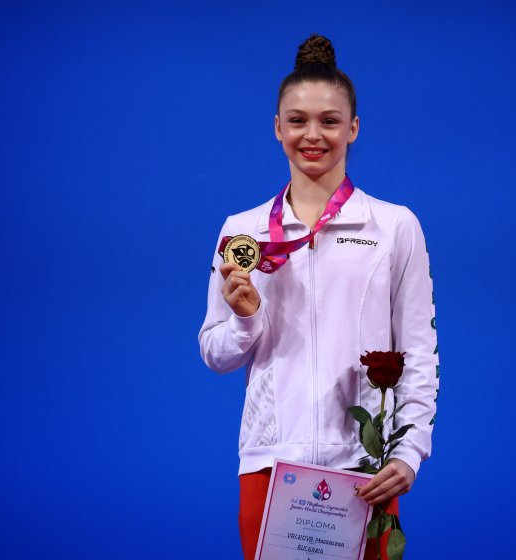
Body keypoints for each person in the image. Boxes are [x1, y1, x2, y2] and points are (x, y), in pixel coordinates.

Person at [198, 34, 439, 560]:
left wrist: (409, 451)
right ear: (277, 127)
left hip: (366, 467)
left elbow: (419, 351)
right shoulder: (242, 231)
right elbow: (215, 353)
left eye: (330, 121)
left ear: (353, 128)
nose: (313, 135)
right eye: (298, 120)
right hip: (270, 464)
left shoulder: (394, 226)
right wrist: (245, 320)